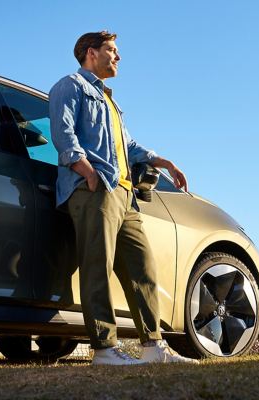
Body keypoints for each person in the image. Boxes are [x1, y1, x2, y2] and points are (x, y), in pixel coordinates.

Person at [49, 31, 197, 365]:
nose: (117, 57)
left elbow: (127, 146)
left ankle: (153, 347)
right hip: (94, 189)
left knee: (141, 267)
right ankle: (103, 349)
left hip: (124, 193)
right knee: (97, 266)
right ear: (91, 53)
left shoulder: (110, 101)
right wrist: (87, 173)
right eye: (111, 51)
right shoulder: (70, 86)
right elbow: (63, 133)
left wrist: (162, 161)